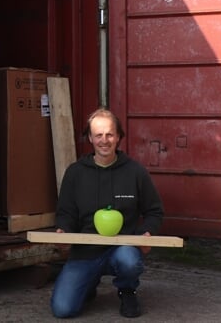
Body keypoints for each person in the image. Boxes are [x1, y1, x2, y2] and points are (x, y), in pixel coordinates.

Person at [50, 108, 164, 319]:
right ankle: (88, 284)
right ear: (90, 138)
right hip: (85, 251)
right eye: (98, 135)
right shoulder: (75, 172)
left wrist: (147, 232)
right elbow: (65, 211)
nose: (104, 140)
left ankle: (127, 290)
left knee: (129, 260)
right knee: (63, 309)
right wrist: (63, 230)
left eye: (110, 134)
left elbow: (154, 211)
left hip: (121, 249)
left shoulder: (135, 172)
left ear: (119, 136)